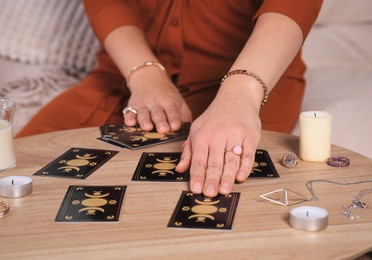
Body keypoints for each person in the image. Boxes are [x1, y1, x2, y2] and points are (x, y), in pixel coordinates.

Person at [17, 0, 323, 197]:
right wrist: (144, 74)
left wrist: (241, 94)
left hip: (253, 81)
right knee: (17, 173)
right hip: (127, 72)